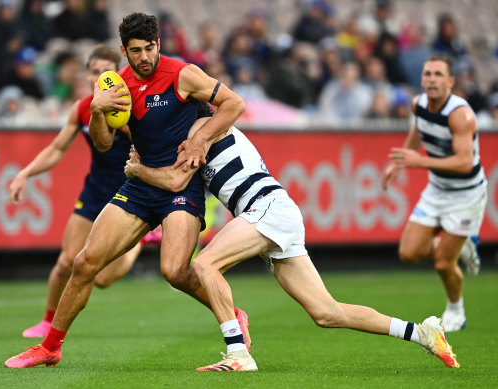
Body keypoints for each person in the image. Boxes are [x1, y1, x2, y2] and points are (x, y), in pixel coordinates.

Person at [123, 104, 461, 371]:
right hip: (275, 211)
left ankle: (237, 352)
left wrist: (137, 169)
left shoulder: (200, 129)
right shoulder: (202, 130)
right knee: (327, 312)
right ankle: (421, 333)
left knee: (205, 265)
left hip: (267, 207)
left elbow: (173, 181)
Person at [4, 12, 248, 368]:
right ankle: (50, 347)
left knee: (175, 272)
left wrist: (200, 139)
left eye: (150, 48)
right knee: (85, 262)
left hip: (181, 186)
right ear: (125, 50)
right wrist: (99, 113)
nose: (145, 57)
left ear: (158, 44)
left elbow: (234, 104)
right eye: (136, 50)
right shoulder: (118, 86)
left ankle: (233, 313)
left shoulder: (182, 74)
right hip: (141, 184)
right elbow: (103, 145)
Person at [7, 44, 144, 339]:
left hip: (128, 195)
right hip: (94, 192)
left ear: (118, 77)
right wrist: (25, 173)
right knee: (67, 260)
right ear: (87, 76)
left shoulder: (129, 109)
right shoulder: (82, 109)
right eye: (94, 72)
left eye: (106, 72)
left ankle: (140, 244)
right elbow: (57, 148)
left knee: (103, 279)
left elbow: (150, 146)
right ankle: (47, 321)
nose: (99, 78)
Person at [382, 54, 487, 332]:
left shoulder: (460, 115)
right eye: (428, 73)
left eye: (438, 74)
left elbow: (465, 162)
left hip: (466, 194)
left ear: (451, 82)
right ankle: (459, 245)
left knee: (442, 263)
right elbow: (419, 130)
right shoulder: (419, 105)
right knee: (408, 252)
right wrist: (401, 161)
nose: (431, 79)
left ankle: (456, 311)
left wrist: (420, 162)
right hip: (438, 189)